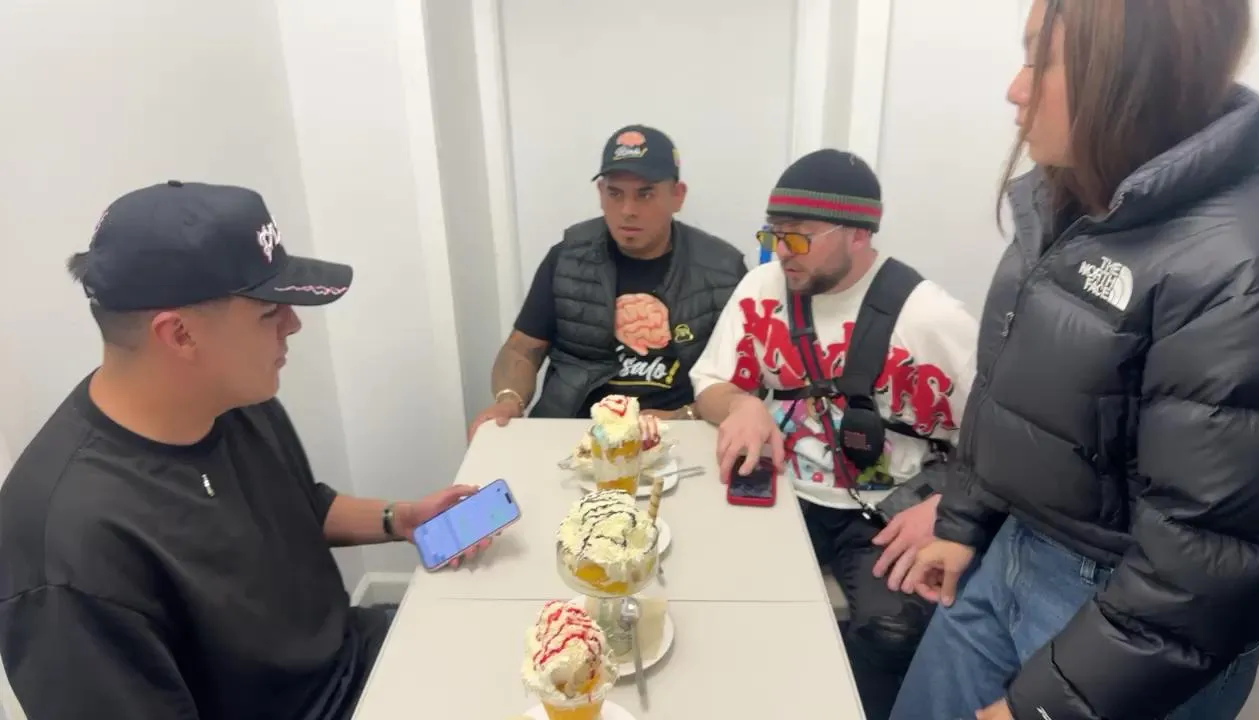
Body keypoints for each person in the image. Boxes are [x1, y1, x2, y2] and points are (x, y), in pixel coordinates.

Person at [891, 2, 1259, 719]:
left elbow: (1211, 561)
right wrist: (964, 520)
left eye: (1040, 58)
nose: (1015, 89)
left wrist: (1049, 706)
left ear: (1136, 68)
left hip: (1136, 623)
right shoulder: (1068, 202)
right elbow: (1008, 390)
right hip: (1016, 547)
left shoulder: (1244, 260)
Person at [0, 181, 488, 719]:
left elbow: (295, 507)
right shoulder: (68, 551)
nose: (293, 324)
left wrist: (402, 518)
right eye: (268, 311)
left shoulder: (233, 399)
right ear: (180, 334)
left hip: (355, 660)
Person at [689, 149, 978, 719]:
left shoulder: (930, 318)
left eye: (797, 235)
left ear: (858, 233)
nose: (780, 251)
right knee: (713, 601)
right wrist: (741, 403)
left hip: (887, 509)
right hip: (783, 490)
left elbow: (1010, 440)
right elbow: (709, 386)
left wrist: (947, 507)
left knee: (893, 635)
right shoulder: (762, 287)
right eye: (774, 233)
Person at [467, 125, 746, 438]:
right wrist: (509, 401)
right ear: (601, 193)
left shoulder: (722, 269)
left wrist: (686, 416)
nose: (627, 210)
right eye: (615, 193)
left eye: (645, 194)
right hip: (575, 430)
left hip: (679, 433)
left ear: (677, 196)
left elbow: (745, 378)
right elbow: (522, 349)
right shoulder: (567, 258)